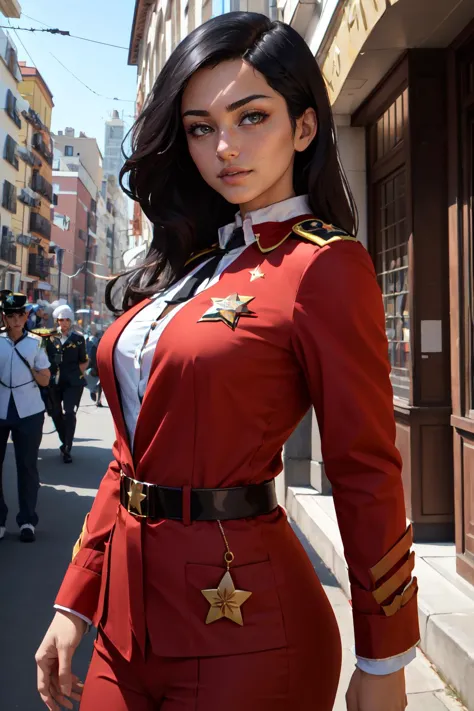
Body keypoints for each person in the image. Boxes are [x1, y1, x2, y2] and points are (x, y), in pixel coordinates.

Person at [35, 13, 419, 711]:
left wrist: (385, 656)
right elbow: (129, 458)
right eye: (201, 127)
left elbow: (365, 467)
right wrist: (75, 601)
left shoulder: (323, 265)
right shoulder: (192, 267)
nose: (225, 148)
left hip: (248, 629)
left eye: (251, 117)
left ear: (303, 128)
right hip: (126, 624)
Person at [0, 291, 50, 543]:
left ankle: (27, 520)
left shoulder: (37, 343)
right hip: (0, 410)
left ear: (26, 315)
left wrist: (35, 370)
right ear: (4, 317)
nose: (15, 319)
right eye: (10, 315)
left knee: (27, 466)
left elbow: (46, 377)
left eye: (20, 314)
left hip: (29, 411)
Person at [46, 305, 88, 464]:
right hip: (54, 382)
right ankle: (64, 440)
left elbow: (84, 360)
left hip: (73, 382)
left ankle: (68, 447)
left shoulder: (78, 338)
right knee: (55, 413)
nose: (64, 323)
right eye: (61, 319)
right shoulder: (49, 337)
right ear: (57, 320)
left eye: (67, 320)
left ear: (71, 321)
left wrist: (77, 373)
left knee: (69, 412)